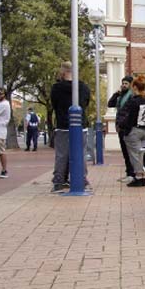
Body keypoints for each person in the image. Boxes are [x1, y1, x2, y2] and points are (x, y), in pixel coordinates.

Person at [50, 61, 91, 192]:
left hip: (63, 125)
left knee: (62, 155)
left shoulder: (56, 88)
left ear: (62, 72)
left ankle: (59, 181)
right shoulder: (83, 87)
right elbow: (86, 103)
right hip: (80, 125)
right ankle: (81, 179)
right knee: (81, 154)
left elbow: (54, 104)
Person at [117, 74, 145, 188]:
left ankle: (139, 177)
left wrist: (123, 128)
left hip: (134, 131)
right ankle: (143, 177)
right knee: (142, 155)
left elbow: (129, 118)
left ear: (135, 88)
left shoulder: (133, 102)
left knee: (135, 156)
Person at [108, 75, 135, 181]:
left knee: (129, 152)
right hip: (121, 128)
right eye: (123, 83)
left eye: (126, 84)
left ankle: (132, 174)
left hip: (127, 128)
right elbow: (110, 104)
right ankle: (129, 173)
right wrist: (116, 93)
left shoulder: (131, 96)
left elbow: (129, 113)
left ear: (131, 85)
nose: (124, 85)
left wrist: (125, 124)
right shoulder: (121, 96)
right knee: (125, 152)